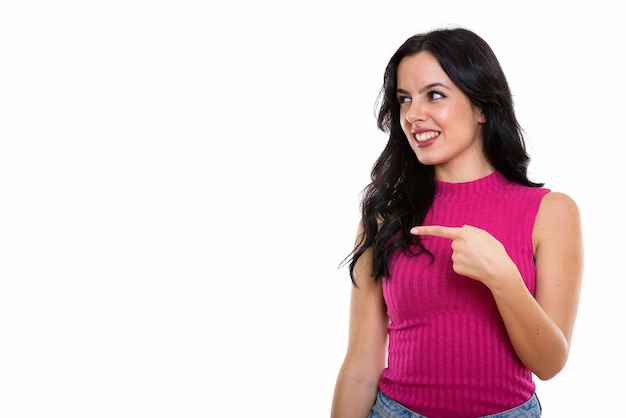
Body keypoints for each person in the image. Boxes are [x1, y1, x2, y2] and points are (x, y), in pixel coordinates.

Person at [330, 27, 583, 418]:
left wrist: (502, 277)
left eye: (435, 95)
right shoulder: (385, 215)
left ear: (483, 107)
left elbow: (549, 364)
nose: (413, 114)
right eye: (404, 99)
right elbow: (360, 369)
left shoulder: (552, 213)